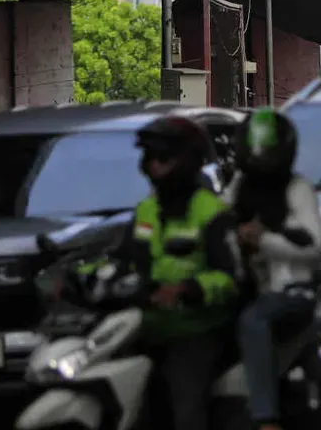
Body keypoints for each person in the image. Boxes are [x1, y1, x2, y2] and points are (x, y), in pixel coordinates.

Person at [120, 116, 244, 430]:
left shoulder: (211, 212)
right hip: (142, 326)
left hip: (195, 332)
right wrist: (73, 280)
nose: (153, 166)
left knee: (185, 413)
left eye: (162, 157)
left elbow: (233, 278)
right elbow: (122, 259)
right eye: (148, 158)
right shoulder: (146, 211)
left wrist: (188, 290)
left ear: (186, 161)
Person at [231, 108, 321, 430]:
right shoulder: (238, 186)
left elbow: (313, 247)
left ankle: (266, 418)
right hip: (246, 285)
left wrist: (264, 240)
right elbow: (217, 221)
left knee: (254, 320)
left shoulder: (296, 189)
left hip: (290, 290)